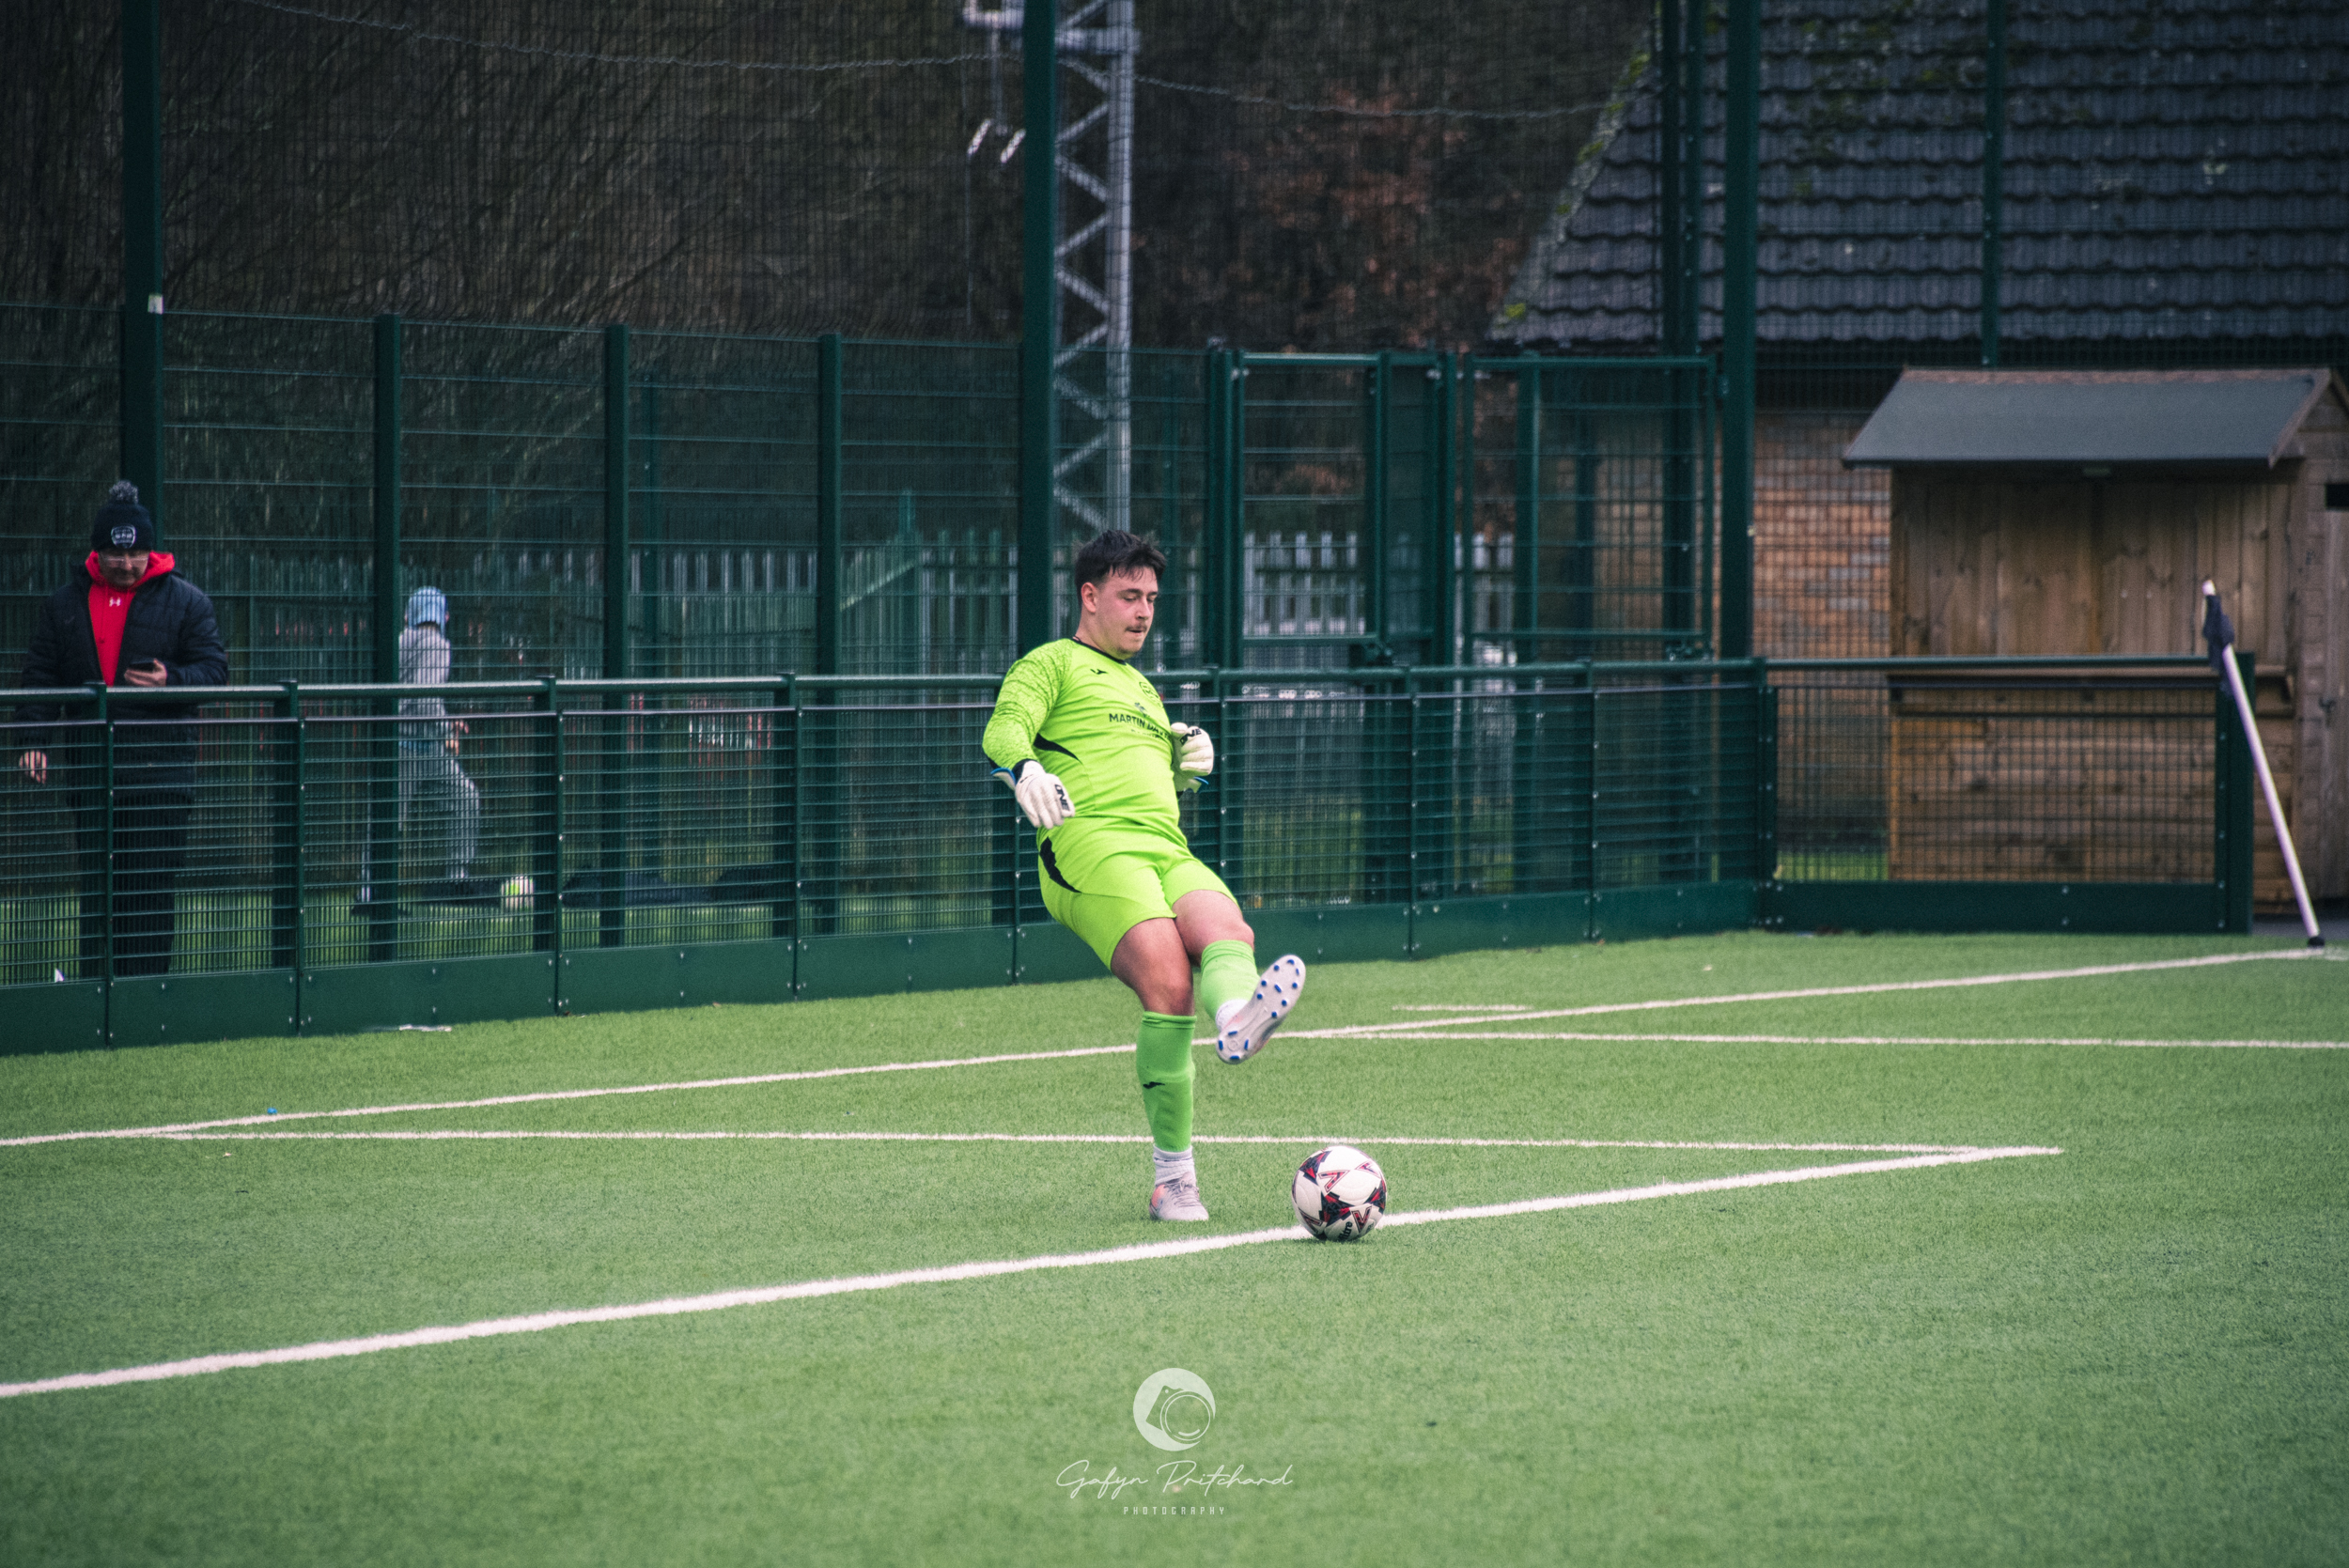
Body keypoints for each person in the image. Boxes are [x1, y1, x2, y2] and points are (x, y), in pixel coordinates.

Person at [982, 530, 1305, 1222]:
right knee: (1168, 977)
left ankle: (1237, 1018)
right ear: (1090, 595)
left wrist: (1183, 758)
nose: (1143, 612)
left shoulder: (1143, 688)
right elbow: (1005, 727)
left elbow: (1143, 773)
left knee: (1227, 927)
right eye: (1129, 596)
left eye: (1152, 599)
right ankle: (1174, 1180)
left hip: (1164, 844)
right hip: (1090, 844)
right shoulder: (1052, 663)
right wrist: (1025, 768)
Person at [14, 481, 227, 978]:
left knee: (150, 891)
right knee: (101, 891)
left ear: (149, 551)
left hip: (161, 776)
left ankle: (145, 997)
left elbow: (214, 671)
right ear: (98, 550)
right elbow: (41, 677)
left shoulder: (189, 602)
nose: (126, 564)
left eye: (135, 554)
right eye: (115, 552)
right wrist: (33, 741)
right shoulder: (65, 603)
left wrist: (170, 681)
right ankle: (97, 993)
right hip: (93, 773)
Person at [359, 586, 480, 905]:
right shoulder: (439, 645)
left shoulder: (397, 642)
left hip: (400, 741)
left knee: (386, 819)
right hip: (416, 744)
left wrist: (444, 722)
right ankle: (456, 880)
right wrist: (447, 729)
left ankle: (368, 892)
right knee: (465, 798)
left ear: (409, 615)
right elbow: (427, 700)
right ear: (444, 617)